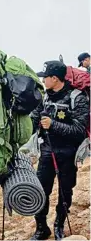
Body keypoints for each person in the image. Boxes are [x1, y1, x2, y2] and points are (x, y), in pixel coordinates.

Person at [30, 61, 89, 240]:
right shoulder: (44, 97)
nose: (43, 81)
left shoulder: (77, 98)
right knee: (41, 191)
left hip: (68, 153)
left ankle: (58, 226)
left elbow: (79, 130)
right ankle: (41, 228)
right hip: (47, 152)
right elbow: (34, 118)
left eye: (45, 77)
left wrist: (53, 124)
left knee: (65, 192)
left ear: (55, 79)